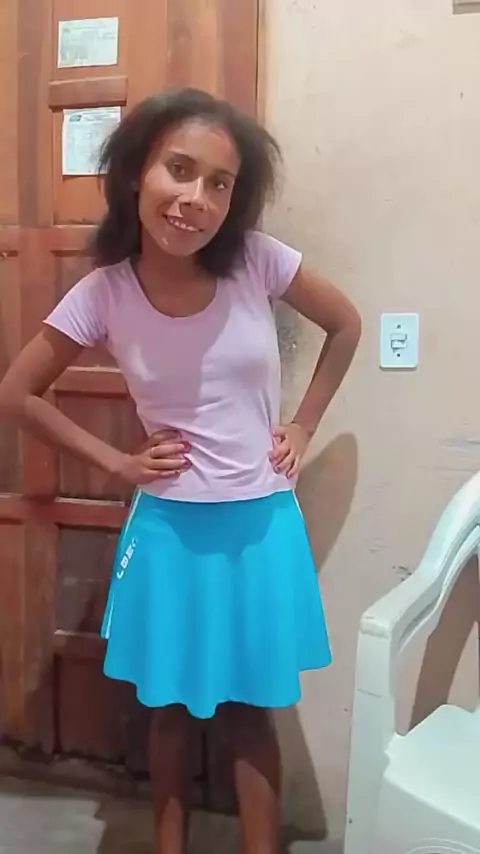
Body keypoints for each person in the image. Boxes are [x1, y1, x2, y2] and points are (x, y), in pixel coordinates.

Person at [0, 88, 361, 854]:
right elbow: (17, 393)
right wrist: (117, 460)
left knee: (250, 711)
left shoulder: (258, 262)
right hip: (167, 526)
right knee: (167, 709)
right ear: (138, 173)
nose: (196, 198)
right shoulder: (103, 292)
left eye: (219, 183)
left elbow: (345, 324)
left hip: (260, 524)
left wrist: (302, 423)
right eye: (180, 169)